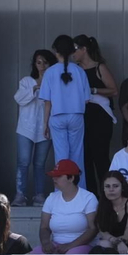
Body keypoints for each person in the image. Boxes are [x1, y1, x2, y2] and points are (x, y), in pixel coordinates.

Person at [30, 160, 99, 255]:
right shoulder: (51, 198)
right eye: (53, 176)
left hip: (82, 245)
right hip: (56, 245)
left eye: (59, 176)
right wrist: (46, 243)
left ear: (71, 178)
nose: (54, 179)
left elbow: (93, 229)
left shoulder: (88, 198)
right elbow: (44, 226)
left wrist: (69, 246)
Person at [40, 35, 91, 186]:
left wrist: (45, 124)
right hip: (76, 115)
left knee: (61, 158)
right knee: (77, 156)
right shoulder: (80, 71)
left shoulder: (50, 72)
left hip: (57, 116)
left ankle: (61, 193)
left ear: (56, 51)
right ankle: (79, 191)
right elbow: (87, 99)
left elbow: (47, 101)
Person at [72, 35, 119, 186]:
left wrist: (92, 90)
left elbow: (113, 90)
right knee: (85, 157)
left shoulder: (100, 67)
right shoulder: (76, 70)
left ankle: (108, 194)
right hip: (82, 117)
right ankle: (91, 196)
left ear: (84, 49)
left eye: (75, 50)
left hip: (100, 117)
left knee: (101, 156)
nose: (73, 54)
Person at [12, 50, 53, 206]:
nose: (42, 65)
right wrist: (35, 87)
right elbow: (18, 99)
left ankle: (39, 195)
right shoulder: (27, 81)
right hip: (25, 128)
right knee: (23, 162)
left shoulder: (54, 83)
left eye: (45, 62)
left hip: (45, 128)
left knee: (39, 164)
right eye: (38, 62)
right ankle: (20, 195)